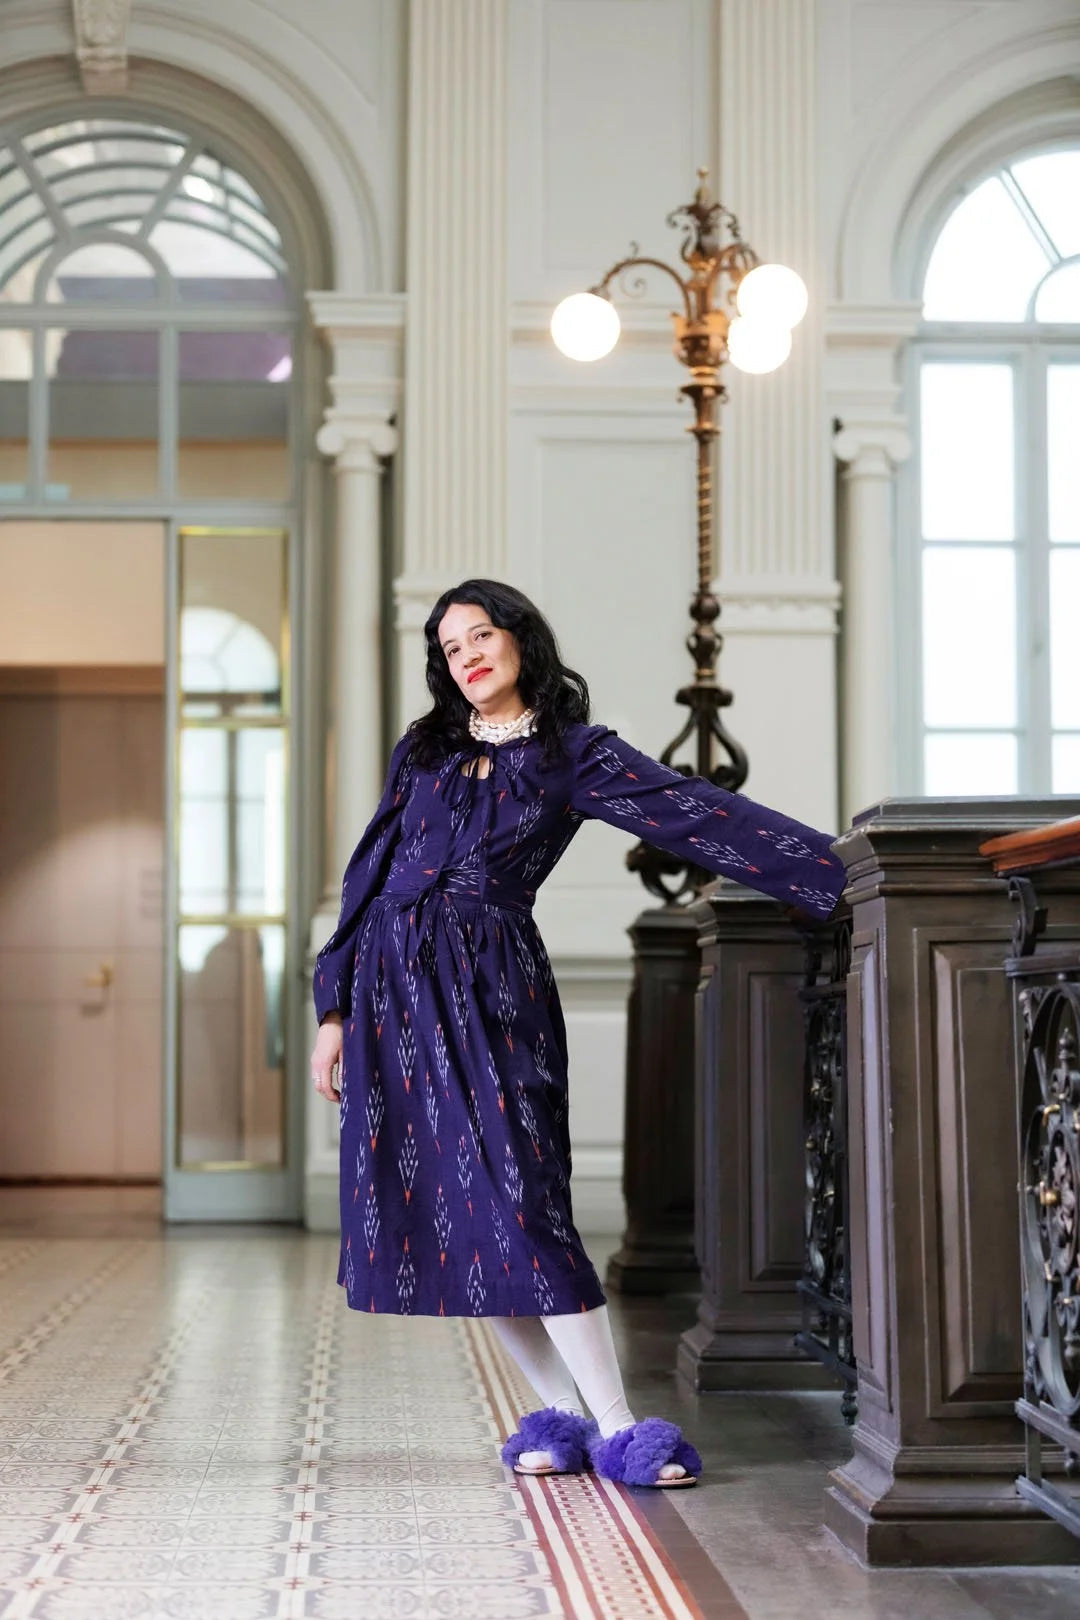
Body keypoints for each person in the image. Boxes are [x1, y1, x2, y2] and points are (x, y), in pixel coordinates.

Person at [310, 578, 846, 1489]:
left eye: (482, 636)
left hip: (492, 991)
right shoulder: (426, 751)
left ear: (521, 641)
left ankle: (623, 1426)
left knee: (524, 1205)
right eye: (450, 648)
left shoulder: (572, 753)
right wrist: (333, 1013)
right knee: (459, 1221)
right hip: (392, 999)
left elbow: (695, 811)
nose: (468, 655)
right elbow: (369, 878)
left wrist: (833, 873)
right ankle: (558, 1413)